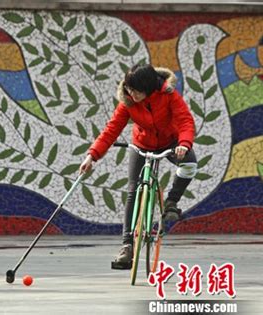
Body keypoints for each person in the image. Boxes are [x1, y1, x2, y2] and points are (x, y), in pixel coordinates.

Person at [79, 63, 198, 266]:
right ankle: (127, 247)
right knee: (134, 190)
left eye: (136, 90)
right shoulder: (128, 101)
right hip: (141, 145)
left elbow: (186, 121)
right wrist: (92, 155)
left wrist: (184, 144)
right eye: (128, 89)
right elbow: (111, 130)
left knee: (189, 165)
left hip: (170, 143)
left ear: (149, 88)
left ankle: (171, 203)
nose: (131, 93)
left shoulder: (169, 95)